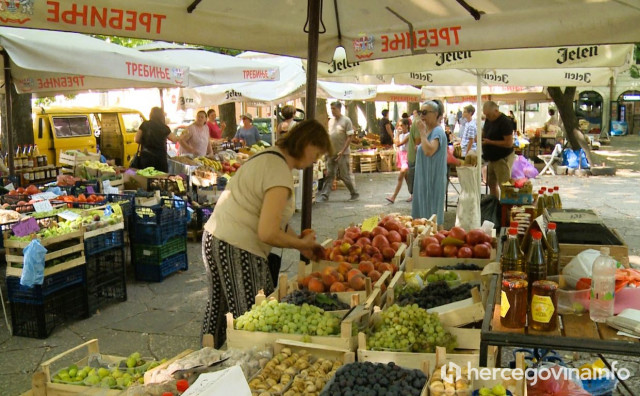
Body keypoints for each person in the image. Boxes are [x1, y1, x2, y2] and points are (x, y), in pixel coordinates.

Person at [201, 119, 331, 348]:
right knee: (252, 318)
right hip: (238, 246)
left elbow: (273, 221)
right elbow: (268, 232)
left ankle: (203, 366)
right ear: (307, 144)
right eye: (317, 153)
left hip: (216, 236)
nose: (315, 161)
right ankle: (244, 372)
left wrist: (301, 243)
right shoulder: (278, 172)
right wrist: (297, 244)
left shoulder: (269, 157)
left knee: (218, 310)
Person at [412, 101, 447, 226]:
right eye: (421, 112)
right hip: (423, 180)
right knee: (422, 216)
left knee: (431, 216)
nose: (422, 116)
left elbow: (429, 151)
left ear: (436, 114)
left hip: (432, 181)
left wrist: (421, 132)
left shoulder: (437, 131)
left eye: (425, 112)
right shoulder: (428, 131)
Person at [316, 101, 359, 202]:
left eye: (334, 109)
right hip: (331, 152)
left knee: (344, 175)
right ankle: (325, 195)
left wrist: (343, 150)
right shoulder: (331, 121)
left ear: (339, 109)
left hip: (342, 153)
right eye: (331, 109)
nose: (332, 111)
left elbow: (350, 137)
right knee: (330, 174)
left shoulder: (346, 121)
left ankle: (354, 193)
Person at [482, 101, 515, 198]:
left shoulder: (505, 122)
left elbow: (509, 143)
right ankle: (495, 206)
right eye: (486, 115)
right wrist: (479, 136)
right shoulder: (489, 120)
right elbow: (484, 132)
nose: (487, 117)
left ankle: (506, 209)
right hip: (491, 158)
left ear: (496, 111)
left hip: (502, 158)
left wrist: (490, 142)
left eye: (488, 115)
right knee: (491, 183)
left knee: (505, 186)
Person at [134, 107, 176, 172]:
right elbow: (174, 139)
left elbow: (136, 139)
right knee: (160, 177)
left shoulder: (145, 124)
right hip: (160, 157)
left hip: (146, 156)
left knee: (146, 176)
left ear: (151, 114)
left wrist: (145, 142)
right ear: (161, 116)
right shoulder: (164, 127)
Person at [386, 118, 411, 204]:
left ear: (406, 126)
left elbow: (398, 144)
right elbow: (396, 143)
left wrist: (397, 136)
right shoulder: (400, 135)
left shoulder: (409, 135)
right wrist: (397, 135)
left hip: (406, 156)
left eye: (402, 125)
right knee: (406, 177)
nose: (400, 127)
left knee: (401, 176)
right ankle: (413, 194)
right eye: (399, 126)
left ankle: (394, 196)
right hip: (401, 156)